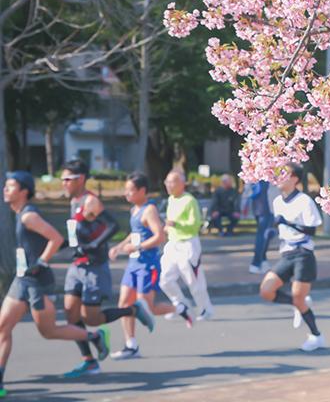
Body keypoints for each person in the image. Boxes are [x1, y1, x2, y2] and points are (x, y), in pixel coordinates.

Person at [0, 171, 110, 398]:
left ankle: (94, 336)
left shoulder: (28, 216)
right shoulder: (17, 212)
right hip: (21, 280)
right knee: (2, 328)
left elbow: (56, 239)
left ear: (24, 192)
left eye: (10, 187)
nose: (5, 190)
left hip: (38, 282)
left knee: (49, 332)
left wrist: (41, 261)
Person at [61, 159, 154, 378]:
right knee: (70, 313)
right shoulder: (73, 200)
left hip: (94, 267)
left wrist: (93, 245)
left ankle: (134, 310)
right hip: (77, 264)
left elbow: (113, 226)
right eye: (62, 179)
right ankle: (89, 361)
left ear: (80, 179)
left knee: (92, 318)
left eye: (67, 179)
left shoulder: (90, 201)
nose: (63, 183)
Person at [108, 172, 189, 359]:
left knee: (147, 307)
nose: (126, 194)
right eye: (126, 190)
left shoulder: (149, 210)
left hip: (148, 264)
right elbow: (134, 232)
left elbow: (159, 236)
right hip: (133, 263)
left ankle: (180, 308)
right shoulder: (134, 210)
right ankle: (131, 345)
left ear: (142, 191)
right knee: (124, 303)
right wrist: (119, 247)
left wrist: (136, 246)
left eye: (130, 190)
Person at [259, 163, 325, 352]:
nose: (279, 177)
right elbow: (279, 226)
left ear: (295, 179)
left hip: (303, 253)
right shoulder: (278, 202)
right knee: (266, 291)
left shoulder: (305, 201)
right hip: (286, 253)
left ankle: (316, 336)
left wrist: (288, 223)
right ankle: (299, 304)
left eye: (284, 174)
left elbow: (312, 230)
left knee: (298, 296)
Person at [160, 170, 215, 323]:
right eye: (167, 182)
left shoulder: (189, 200)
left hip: (188, 244)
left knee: (193, 280)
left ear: (182, 184)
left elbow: (195, 225)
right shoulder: (171, 199)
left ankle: (206, 309)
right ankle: (181, 305)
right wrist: (167, 228)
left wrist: (176, 224)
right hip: (172, 244)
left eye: (172, 182)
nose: (169, 185)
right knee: (164, 279)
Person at [248, 180, 275, 274]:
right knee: (263, 235)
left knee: (264, 234)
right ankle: (256, 263)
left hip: (257, 205)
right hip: (267, 205)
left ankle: (263, 260)